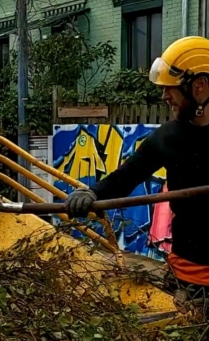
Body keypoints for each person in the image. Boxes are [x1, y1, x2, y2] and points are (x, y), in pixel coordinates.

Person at [65, 36, 209, 305]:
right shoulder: (167, 138)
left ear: (199, 85)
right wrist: (91, 192)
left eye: (171, 88)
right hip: (189, 279)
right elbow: (125, 177)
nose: (164, 96)